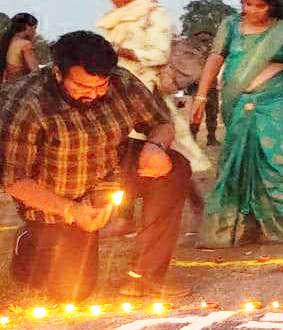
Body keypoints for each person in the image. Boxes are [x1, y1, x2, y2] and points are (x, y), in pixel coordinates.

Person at [0, 31, 192, 300]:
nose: (93, 94)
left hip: (112, 170)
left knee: (173, 167)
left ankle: (144, 276)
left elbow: (160, 122)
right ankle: (30, 242)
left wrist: (155, 146)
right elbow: (14, 180)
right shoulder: (26, 103)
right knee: (72, 292)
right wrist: (71, 210)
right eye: (82, 87)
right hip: (58, 198)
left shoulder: (121, 81)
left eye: (100, 86)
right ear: (57, 73)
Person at [191, 0, 283, 247]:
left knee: (280, 160)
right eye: (246, 4)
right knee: (235, 159)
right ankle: (237, 226)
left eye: (258, 5)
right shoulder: (230, 25)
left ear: (271, 6)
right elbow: (215, 58)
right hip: (237, 101)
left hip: (274, 102)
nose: (251, 10)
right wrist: (200, 95)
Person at [97, 0, 211, 181]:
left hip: (148, 93)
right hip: (116, 93)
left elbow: (159, 55)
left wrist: (119, 51)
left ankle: (196, 205)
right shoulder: (112, 19)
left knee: (173, 154)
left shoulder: (153, 14)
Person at [2, 13, 38, 82]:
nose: (35, 32)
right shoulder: (25, 44)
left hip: (6, 86)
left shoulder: (8, 41)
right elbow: (35, 71)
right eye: (35, 28)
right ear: (27, 26)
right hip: (18, 87)